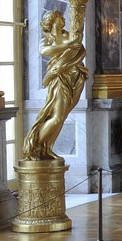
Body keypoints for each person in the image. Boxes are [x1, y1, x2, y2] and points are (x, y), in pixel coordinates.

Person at [22, 9, 88, 160]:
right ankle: (34, 147)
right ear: (52, 20)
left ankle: (47, 148)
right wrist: (68, 46)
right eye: (59, 17)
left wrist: (71, 52)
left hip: (76, 77)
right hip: (59, 79)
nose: (63, 19)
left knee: (62, 116)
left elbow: (82, 51)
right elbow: (44, 51)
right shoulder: (47, 40)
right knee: (57, 116)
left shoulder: (69, 35)